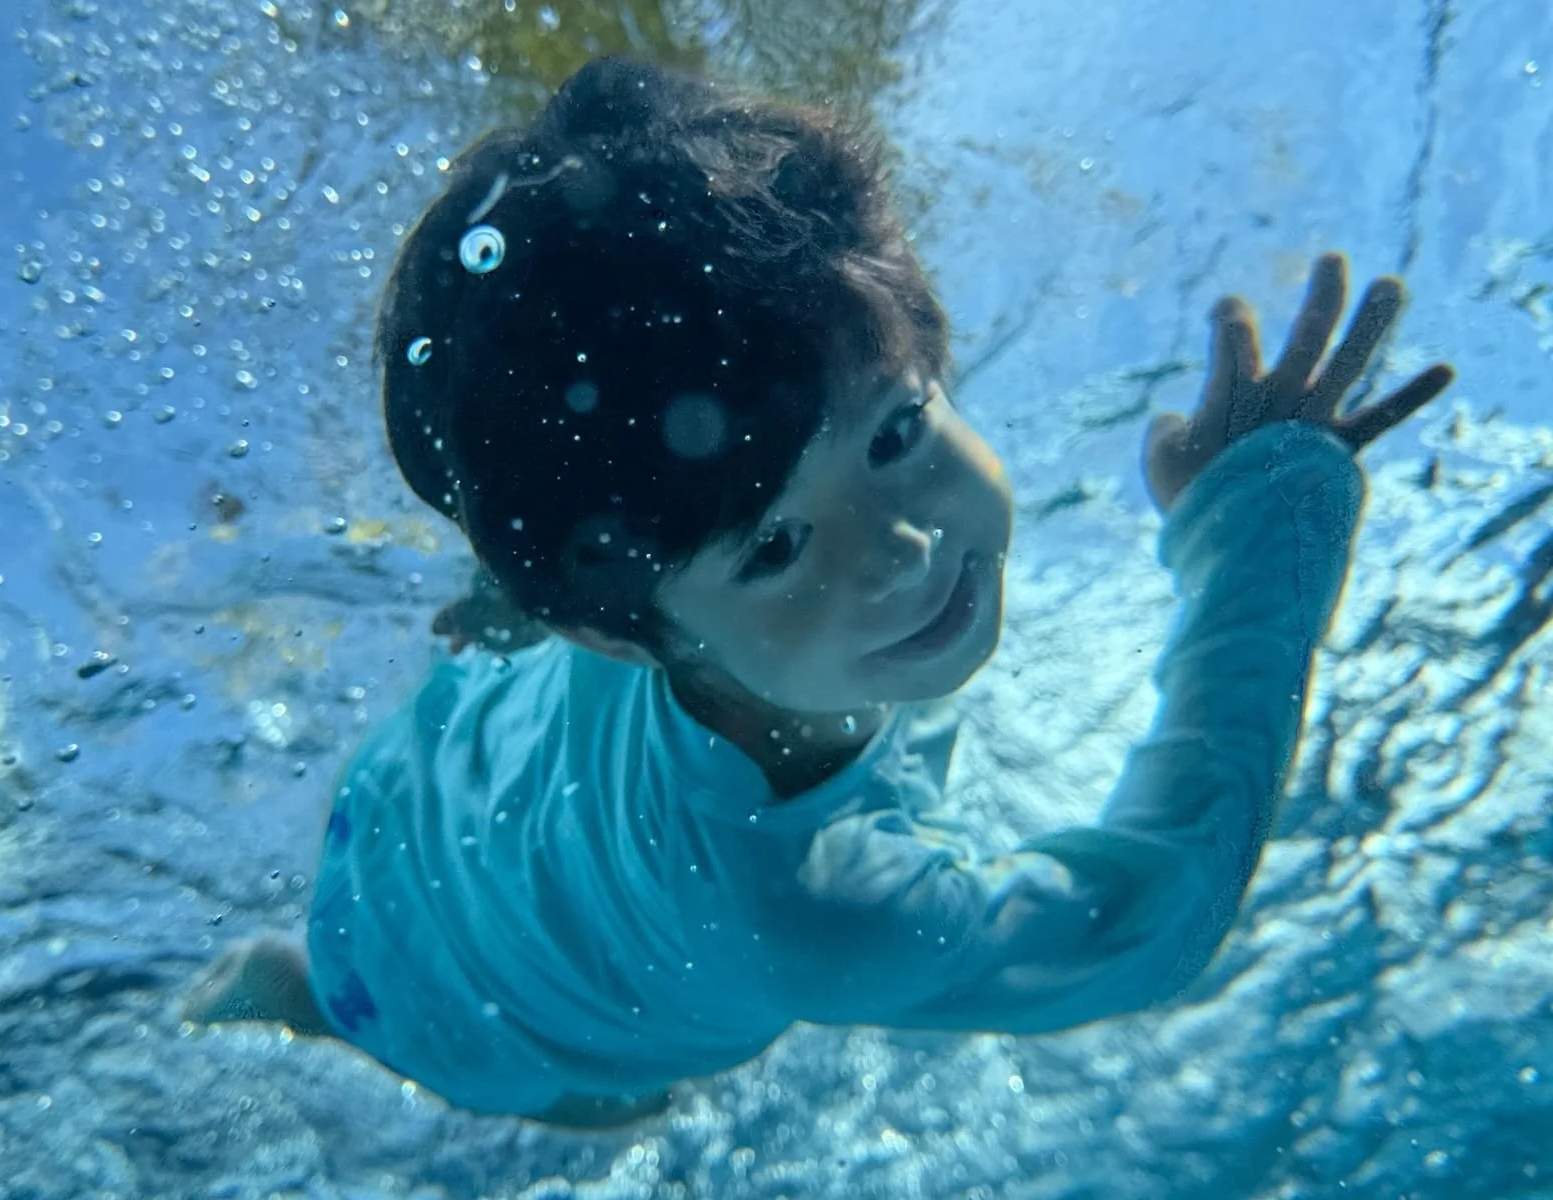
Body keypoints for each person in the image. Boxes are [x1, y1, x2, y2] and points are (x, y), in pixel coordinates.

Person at [182, 55, 1454, 1128]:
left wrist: (643, 570)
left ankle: (353, 897)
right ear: (611, 629)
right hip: (491, 1025)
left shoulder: (678, 526)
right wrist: (1262, 521)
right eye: (780, 550)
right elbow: (1151, 923)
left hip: (419, 795)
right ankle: (306, 1003)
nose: (899, 549)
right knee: (633, 1106)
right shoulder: (817, 911)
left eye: (897, 434)